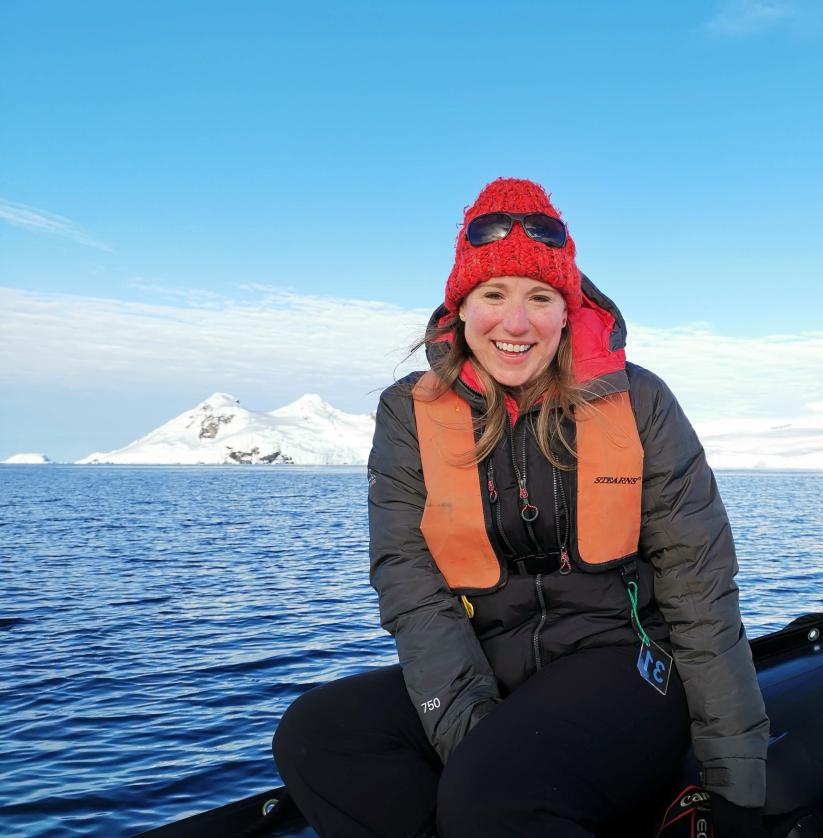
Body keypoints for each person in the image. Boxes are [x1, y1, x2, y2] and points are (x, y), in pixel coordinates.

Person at [272, 178, 770, 837]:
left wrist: (737, 786)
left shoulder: (640, 402)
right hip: (488, 661)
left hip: (621, 661)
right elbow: (409, 585)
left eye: (540, 297)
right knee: (317, 733)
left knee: (493, 795)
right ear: (460, 308)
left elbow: (701, 591)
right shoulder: (408, 414)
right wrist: (472, 733)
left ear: (567, 311)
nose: (515, 323)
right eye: (493, 295)